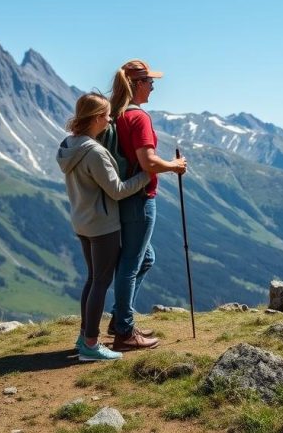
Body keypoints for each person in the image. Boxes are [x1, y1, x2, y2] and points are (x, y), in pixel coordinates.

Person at [57, 92, 152, 361]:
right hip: (103, 224)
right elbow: (118, 190)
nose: (111, 120)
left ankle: (84, 335)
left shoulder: (69, 145)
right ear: (97, 118)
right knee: (101, 282)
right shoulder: (95, 152)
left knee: (92, 279)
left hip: (82, 220)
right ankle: (90, 343)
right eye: (108, 115)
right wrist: (147, 175)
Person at [107, 59, 187, 351]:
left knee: (144, 257)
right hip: (140, 199)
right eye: (150, 82)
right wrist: (175, 165)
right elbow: (148, 162)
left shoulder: (117, 116)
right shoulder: (138, 118)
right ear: (137, 84)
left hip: (125, 197)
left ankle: (119, 319)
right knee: (131, 263)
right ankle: (125, 332)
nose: (153, 86)